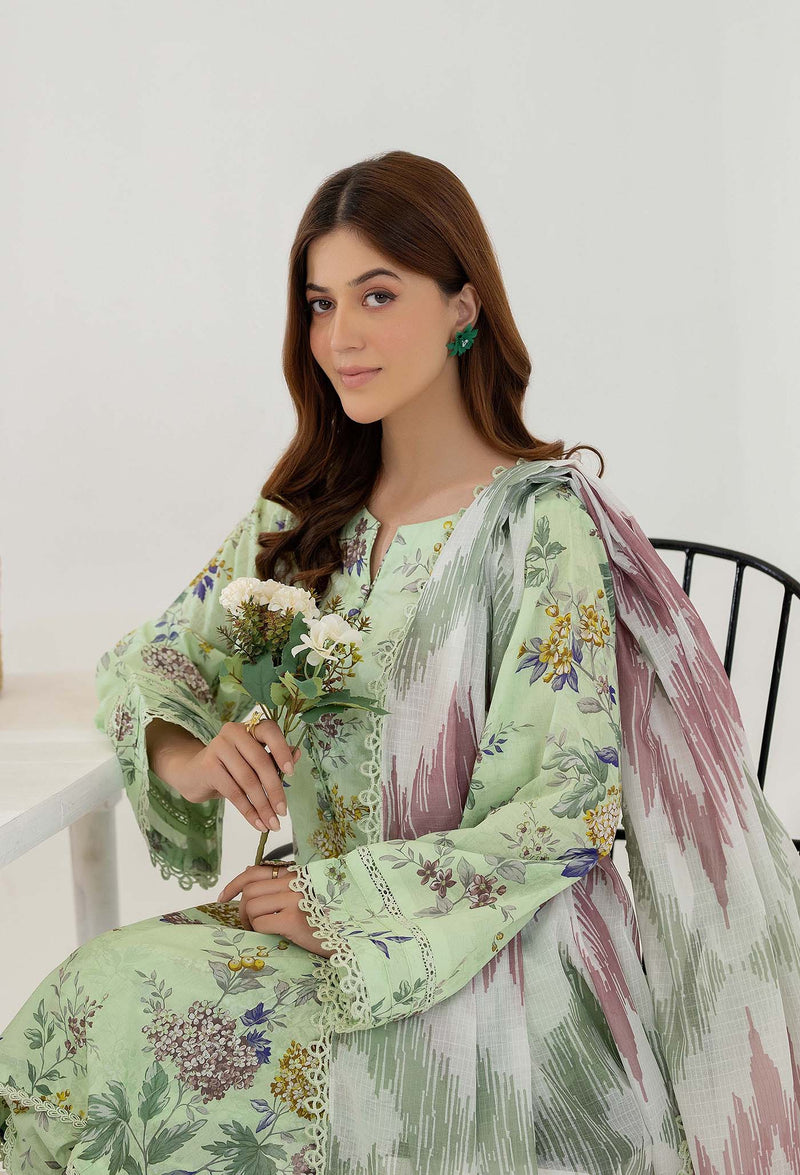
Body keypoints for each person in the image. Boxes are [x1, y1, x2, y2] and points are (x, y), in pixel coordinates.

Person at [4, 149, 792, 1175]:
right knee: (91, 994)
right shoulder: (303, 521)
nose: (341, 336)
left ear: (463, 305)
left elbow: (560, 808)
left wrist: (343, 901)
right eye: (321, 303)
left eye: (377, 294)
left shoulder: (536, 526)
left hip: (501, 958)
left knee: (137, 1024)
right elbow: (149, 664)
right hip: (303, 922)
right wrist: (187, 752)